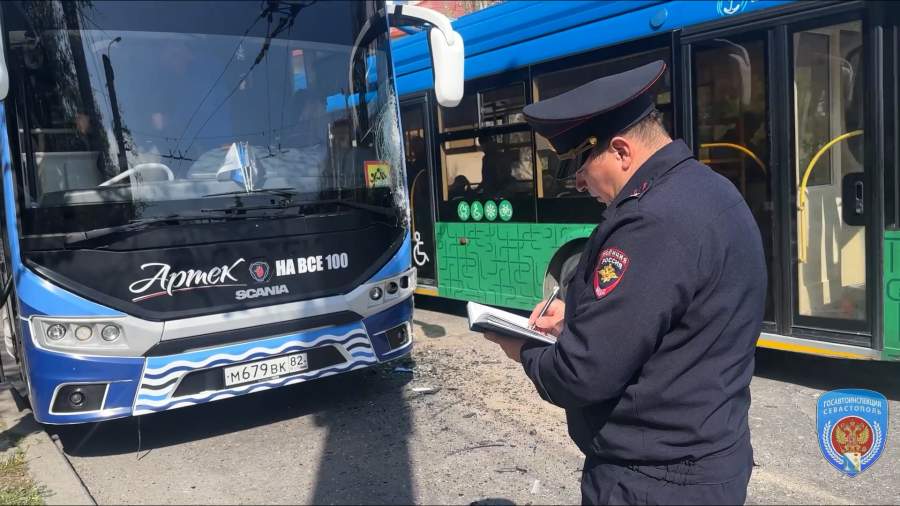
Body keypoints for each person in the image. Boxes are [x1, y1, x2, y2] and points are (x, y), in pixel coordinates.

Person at [480, 60, 767, 505]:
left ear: (620, 151)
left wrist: (522, 347)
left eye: (578, 164)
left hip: (653, 481)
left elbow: (580, 375)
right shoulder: (710, 189)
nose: (577, 183)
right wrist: (576, 317)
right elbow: (673, 315)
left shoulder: (651, 222)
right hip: (707, 457)